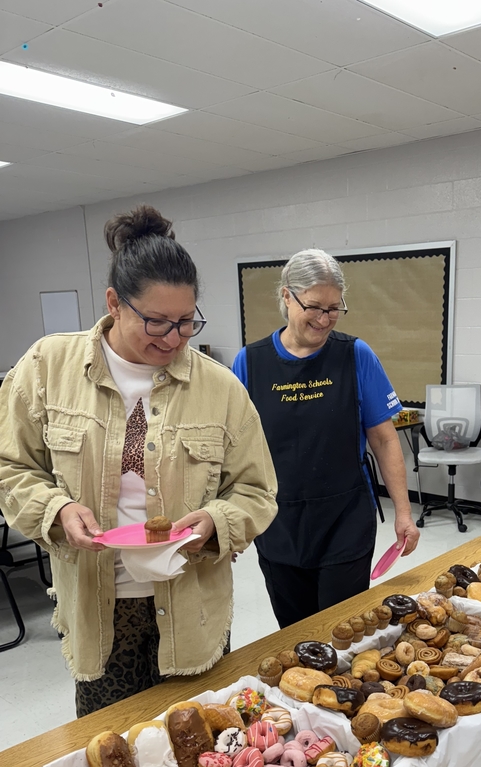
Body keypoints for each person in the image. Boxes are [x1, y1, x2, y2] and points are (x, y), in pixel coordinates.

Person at [0, 206, 278, 716]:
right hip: (99, 610)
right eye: (155, 321)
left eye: (186, 323)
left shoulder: (220, 388)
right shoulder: (46, 368)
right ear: (114, 303)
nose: (172, 339)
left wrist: (217, 521)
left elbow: (257, 491)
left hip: (191, 605)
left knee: (201, 755)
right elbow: (11, 467)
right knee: (113, 754)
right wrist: (57, 509)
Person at [232, 249, 419, 628]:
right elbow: (234, 448)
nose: (324, 319)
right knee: (294, 633)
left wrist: (403, 511)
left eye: (334, 308)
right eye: (314, 307)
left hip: (344, 521)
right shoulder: (250, 362)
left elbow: (384, 440)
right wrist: (230, 520)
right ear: (287, 297)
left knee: (342, 631)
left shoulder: (355, 355)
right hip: (278, 524)